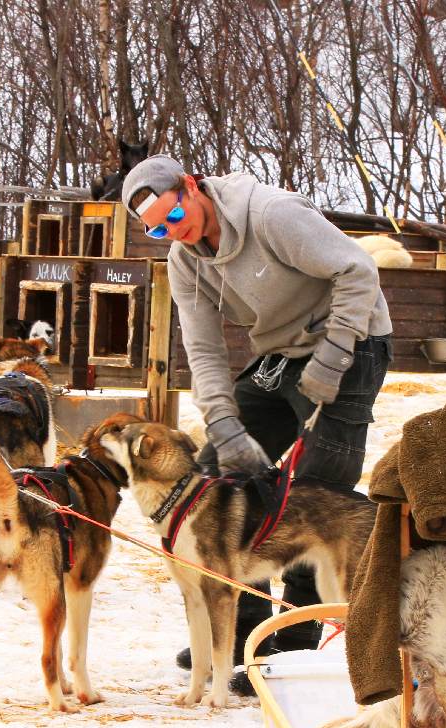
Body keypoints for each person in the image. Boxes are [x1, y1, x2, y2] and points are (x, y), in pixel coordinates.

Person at [121, 155, 393, 693]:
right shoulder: (186, 259)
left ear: (190, 187)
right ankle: (239, 635)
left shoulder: (272, 215)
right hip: (281, 353)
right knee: (219, 469)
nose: (172, 232)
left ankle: (291, 644)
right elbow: (201, 347)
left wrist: (333, 357)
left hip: (355, 336)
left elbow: (359, 272)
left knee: (316, 487)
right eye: (156, 229)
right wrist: (222, 422)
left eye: (173, 217)